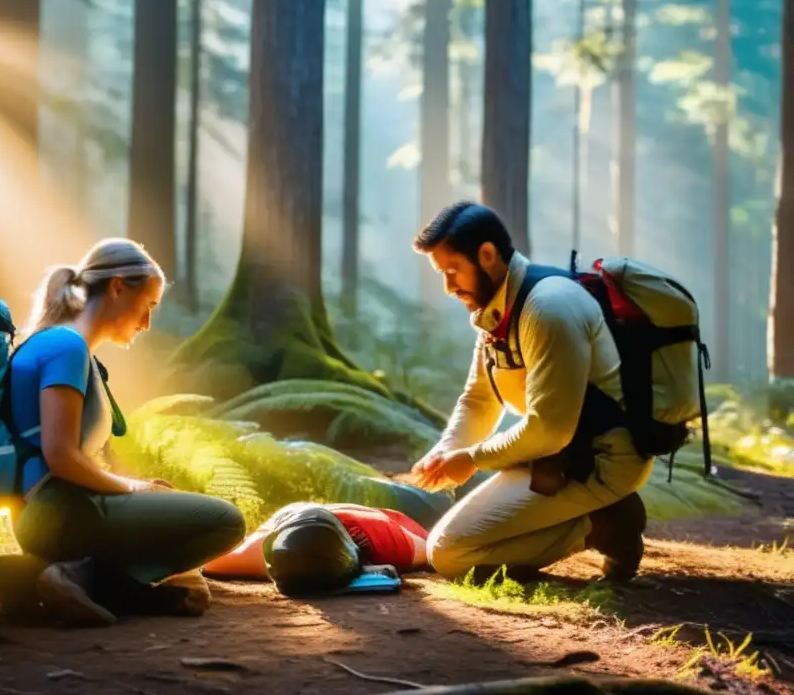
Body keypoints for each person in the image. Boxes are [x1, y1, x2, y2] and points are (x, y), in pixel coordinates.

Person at [0, 239, 246, 625]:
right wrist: (133, 489)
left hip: (43, 515)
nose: (147, 322)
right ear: (118, 287)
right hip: (59, 511)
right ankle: (81, 577)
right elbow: (61, 456)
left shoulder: (56, 344)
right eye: (149, 305)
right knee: (225, 521)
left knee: (173, 533)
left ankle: (36, 576)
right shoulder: (66, 347)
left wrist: (132, 485)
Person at [408, 202, 652, 584]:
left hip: (602, 461)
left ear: (487, 255)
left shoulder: (548, 308)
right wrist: (446, 451)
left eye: (453, 271)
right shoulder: (498, 310)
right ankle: (596, 517)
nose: (449, 287)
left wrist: (472, 458)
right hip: (557, 458)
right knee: (449, 546)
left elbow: (550, 430)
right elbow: (479, 398)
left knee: (450, 554)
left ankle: (605, 523)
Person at [203, 502, 430, 596]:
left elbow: (435, 549)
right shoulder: (264, 554)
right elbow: (208, 561)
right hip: (291, 518)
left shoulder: (393, 543)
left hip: (375, 522)